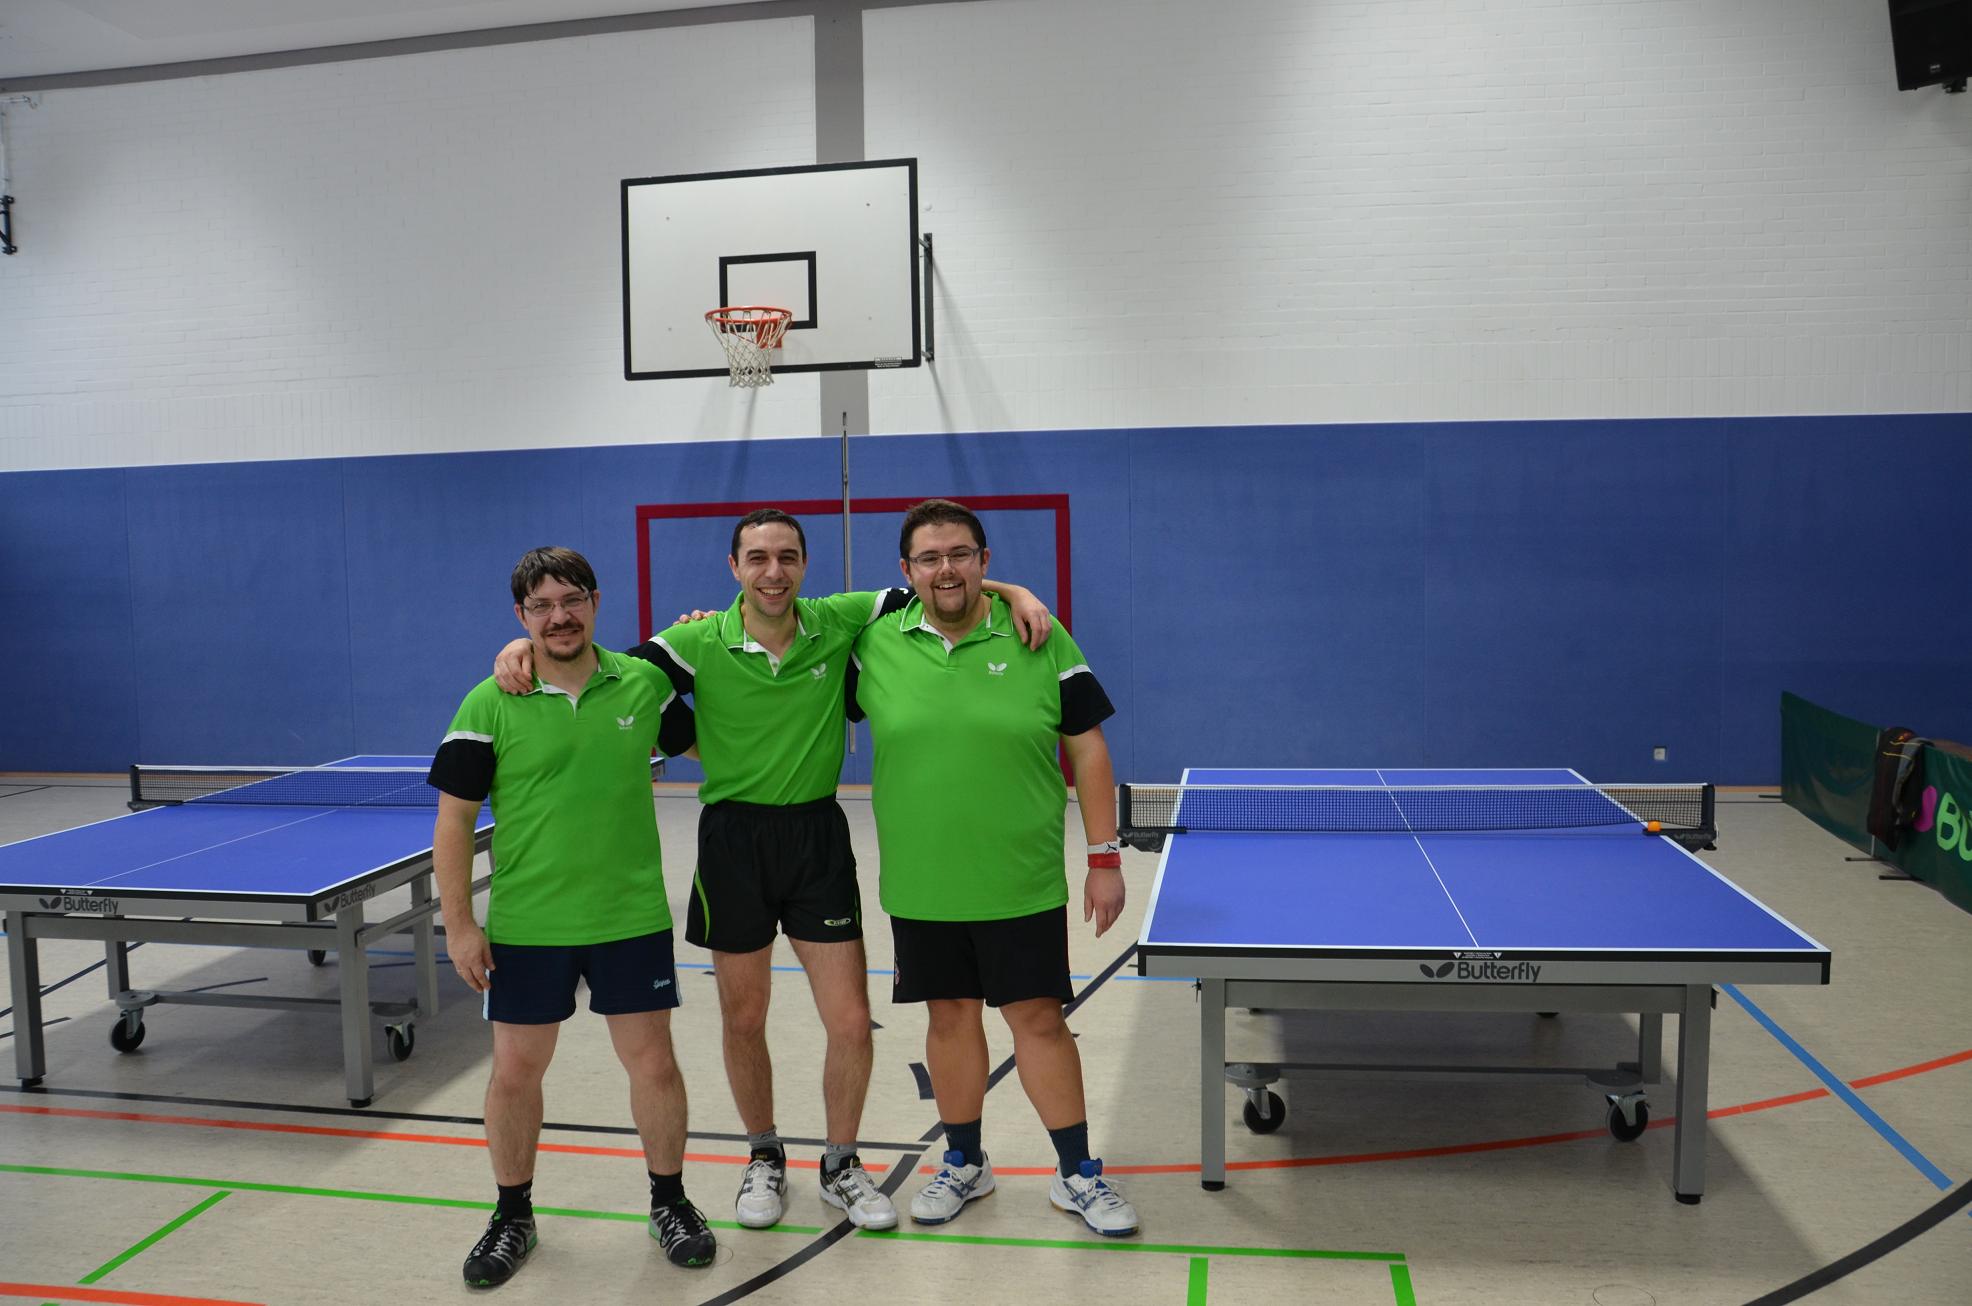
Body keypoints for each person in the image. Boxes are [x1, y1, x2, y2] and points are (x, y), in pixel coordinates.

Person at [490, 509, 1054, 1233]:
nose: (773, 571)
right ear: (735, 568)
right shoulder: (696, 640)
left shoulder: (838, 620)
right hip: (733, 842)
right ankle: (763, 1154)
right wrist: (522, 645)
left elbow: (939, 582)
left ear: (804, 564)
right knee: (744, 1016)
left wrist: (1016, 591)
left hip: (816, 837)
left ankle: (842, 1163)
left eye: (787, 556)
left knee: (849, 1020)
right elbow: (603, 669)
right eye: (757, 557)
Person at [848, 498, 1139, 1237]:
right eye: (929, 558)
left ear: (984, 560)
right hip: (923, 882)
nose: (945, 569)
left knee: (1038, 1020)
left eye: (960, 554)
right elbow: (779, 622)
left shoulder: (1038, 632)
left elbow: (1088, 748)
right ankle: (964, 1162)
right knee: (949, 1019)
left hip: (1021, 878)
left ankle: (1077, 1173)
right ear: (906, 570)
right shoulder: (871, 642)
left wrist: (1103, 857)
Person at [430, 547, 716, 1289]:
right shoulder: (489, 701)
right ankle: (513, 1215)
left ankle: (669, 1201)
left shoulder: (643, 684)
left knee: (653, 1064)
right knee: (516, 1072)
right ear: (521, 616)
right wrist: (460, 925)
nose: (559, 617)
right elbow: (454, 823)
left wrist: (705, 644)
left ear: (595, 601)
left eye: (572, 600)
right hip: (528, 926)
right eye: (542, 606)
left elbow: (711, 737)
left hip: (630, 917)